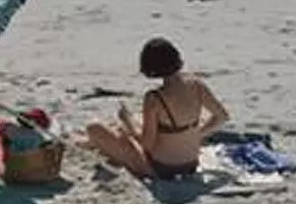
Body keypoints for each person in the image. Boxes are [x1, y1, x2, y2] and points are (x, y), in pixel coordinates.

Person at [85, 37, 229, 181]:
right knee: (144, 124)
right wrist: (197, 134)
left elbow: (147, 144)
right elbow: (222, 117)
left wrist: (127, 120)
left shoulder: (154, 98)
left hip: (160, 168)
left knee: (94, 128)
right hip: (191, 164)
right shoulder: (197, 85)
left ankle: (91, 141)